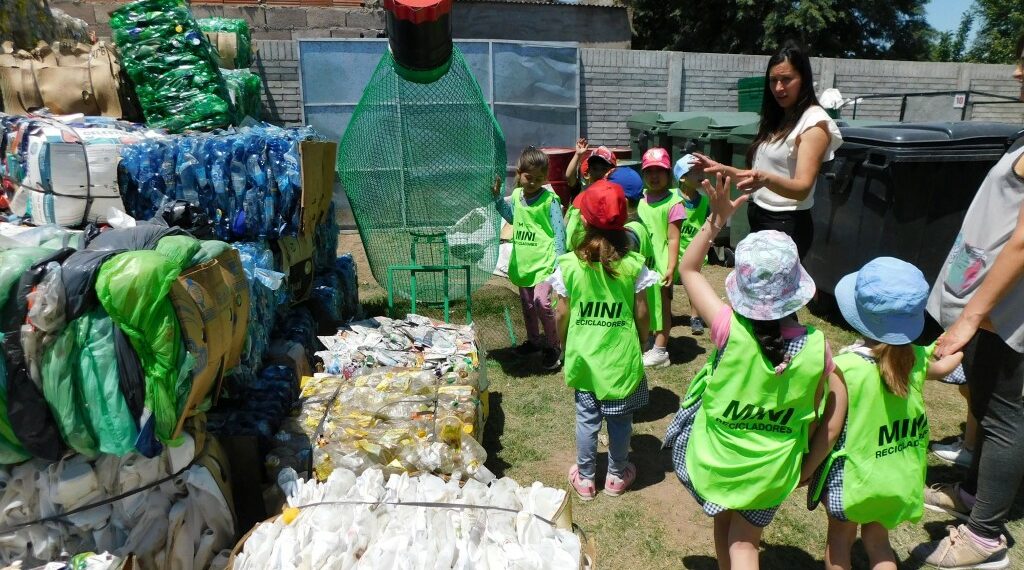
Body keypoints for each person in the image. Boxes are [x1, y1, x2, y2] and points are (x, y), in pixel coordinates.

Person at [664, 173, 842, 570]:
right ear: (797, 288)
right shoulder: (818, 348)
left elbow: (689, 270)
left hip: (720, 460)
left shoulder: (727, 329)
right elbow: (825, 412)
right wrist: (807, 466)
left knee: (726, 528)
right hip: (773, 469)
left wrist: (716, 220)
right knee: (745, 542)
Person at [911, 32, 1024, 570]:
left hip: (1007, 308)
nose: (1018, 72)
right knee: (984, 403)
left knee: (1004, 415)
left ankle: (985, 538)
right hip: (990, 302)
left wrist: (971, 318)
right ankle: (976, 493)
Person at [804, 257, 963, 570]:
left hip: (854, 481)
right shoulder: (914, 359)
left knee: (839, 542)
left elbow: (830, 431)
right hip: (895, 480)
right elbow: (945, 366)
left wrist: (805, 470)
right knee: (878, 542)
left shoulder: (845, 368)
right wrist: (959, 341)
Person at [549, 180, 657, 499]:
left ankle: (585, 478)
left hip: (584, 355)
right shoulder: (633, 264)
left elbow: (561, 313)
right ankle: (616, 476)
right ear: (625, 219)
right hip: (620, 358)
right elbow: (642, 311)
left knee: (587, 419)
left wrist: (564, 343)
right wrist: (643, 340)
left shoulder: (570, 265)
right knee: (620, 420)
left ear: (583, 220)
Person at [693, 40, 842, 260]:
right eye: (773, 80)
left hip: (786, 225)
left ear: (804, 79)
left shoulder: (813, 124)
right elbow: (758, 177)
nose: (779, 88)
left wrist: (765, 179)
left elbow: (802, 188)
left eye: (786, 79)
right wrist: (722, 169)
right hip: (761, 216)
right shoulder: (780, 118)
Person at [492, 146, 565, 370]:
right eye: (528, 177)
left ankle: (554, 346)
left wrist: (559, 261)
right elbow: (513, 218)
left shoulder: (550, 200)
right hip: (524, 262)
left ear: (545, 178)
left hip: (545, 262)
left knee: (541, 302)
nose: (533, 182)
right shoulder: (516, 196)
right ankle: (534, 342)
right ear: (519, 174)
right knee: (528, 305)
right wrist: (497, 199)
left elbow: (559, 231)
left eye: (539, 179)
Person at [637, 147, 682, 368]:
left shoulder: (674, 202)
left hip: (662, 263)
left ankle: (660, 350)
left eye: (659, 171)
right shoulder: (638, 198)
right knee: (643, 303)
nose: (654, 176)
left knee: (662, 306)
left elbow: (673, 238)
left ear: (668, 173)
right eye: (649, 171)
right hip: (641, 262)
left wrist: (671, 267)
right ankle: (647, 340)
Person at [674, 154, 710, 335]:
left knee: (693, 285)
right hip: (672, 251)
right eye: (695, 171)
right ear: (682, 177)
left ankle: (695, 317)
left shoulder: (704, 201)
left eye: (701, 170)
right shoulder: (672, 198)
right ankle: (664, 314)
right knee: (666, 286)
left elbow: (708, 223)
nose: (701, 174)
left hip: (694, 253)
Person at [565, 142, 618, 250]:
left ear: (612, 171)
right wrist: (578, 155)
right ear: (588, 171)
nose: (598, 173)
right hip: (572, 248)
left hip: (596, 247)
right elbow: (569, 176)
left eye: (603, 169)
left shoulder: (612, 196)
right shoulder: (581, 190)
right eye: (594, 168)